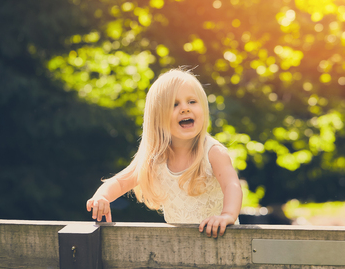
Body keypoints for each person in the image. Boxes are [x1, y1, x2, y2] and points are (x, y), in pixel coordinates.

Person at [86, 68, 242, 238]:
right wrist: (102, 196)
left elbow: (231, 185)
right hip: (179, 247)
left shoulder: (213, 153)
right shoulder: (155, 158)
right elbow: (120, 182)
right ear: (158, 117)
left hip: (222, 241)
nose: (185, 109)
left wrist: (227, 215)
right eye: (174, 104)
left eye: (192, 101)